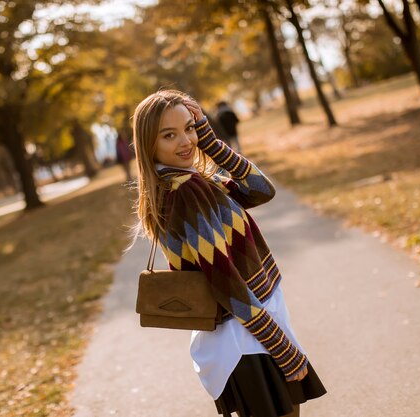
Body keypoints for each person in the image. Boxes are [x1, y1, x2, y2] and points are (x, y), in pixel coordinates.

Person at [131, 89, 326, 417]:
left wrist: (209, 138)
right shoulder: (184, 192)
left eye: (189, 128)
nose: (185, 141)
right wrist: (279, 345)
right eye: (169, 135)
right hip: (245, 337)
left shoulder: (195, 181)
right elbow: (225, 281)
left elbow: (261, 189)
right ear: (148, 144)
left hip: (251, 326)